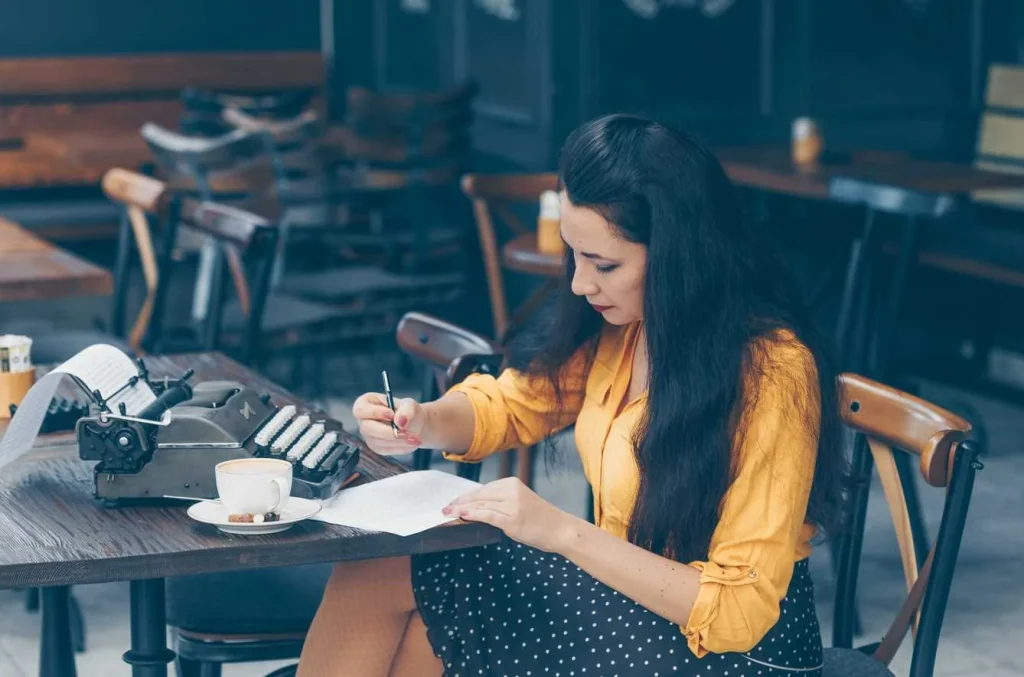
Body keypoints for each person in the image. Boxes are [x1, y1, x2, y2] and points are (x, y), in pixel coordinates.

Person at [297, 114, 846, 677]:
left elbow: (737, 611)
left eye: (604, 264)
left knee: (401, 578)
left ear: (680, 257)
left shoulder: (773, 370)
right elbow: (513, 404)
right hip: (635, 606)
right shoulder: (627, 326)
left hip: (742, 652)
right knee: (415, 610)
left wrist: (559, 532)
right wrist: (424, 421)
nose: (581, 284)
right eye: (574, 256)